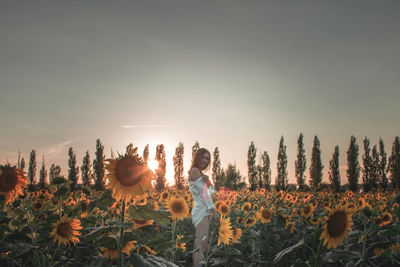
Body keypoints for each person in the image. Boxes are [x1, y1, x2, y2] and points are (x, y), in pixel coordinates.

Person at [188, 148, 220, 267]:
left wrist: (208, 181)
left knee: (199, 246)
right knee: (202, 246)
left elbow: (212, 192)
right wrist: (214, 212)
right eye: (203, 157)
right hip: (201, 210)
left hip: (204, 210)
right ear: (197, 157)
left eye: (207, 158)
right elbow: (205, 194)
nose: (205, 160)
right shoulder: (195, 171)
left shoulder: (201, 174)